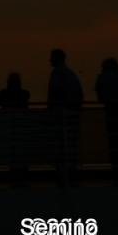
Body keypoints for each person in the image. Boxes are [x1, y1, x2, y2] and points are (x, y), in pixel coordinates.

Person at [47, 48, 83, 184]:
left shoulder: (57, 74)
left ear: (56, 59)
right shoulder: (71, 74)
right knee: (70, 146)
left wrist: (51, 112)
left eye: (51, 57)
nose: (49, 60)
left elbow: (53, 95)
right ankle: (71, 172)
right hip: (72, 115)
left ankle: (63, 175)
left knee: (60, 147)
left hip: (60, 117)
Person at [0, 72, 31, 183]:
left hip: (10, 129)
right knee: (21, 153)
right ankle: (23, 176)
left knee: (13, 153)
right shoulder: (24, 94)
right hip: (22, 129)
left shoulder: (4, 94)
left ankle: (14, 176)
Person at [95, 57, 118, 182]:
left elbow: (100, 97)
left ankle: (116, 168)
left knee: (113, 140)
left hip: (112, 112)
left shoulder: (102, 78)